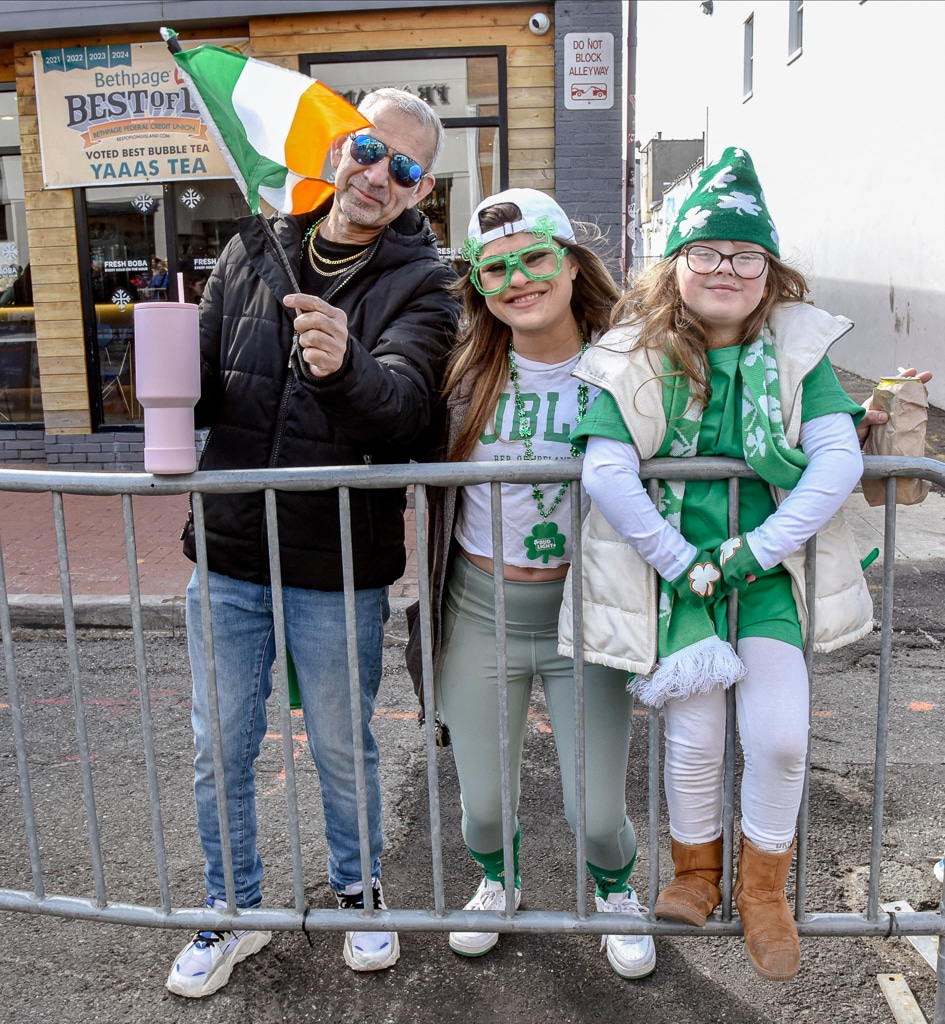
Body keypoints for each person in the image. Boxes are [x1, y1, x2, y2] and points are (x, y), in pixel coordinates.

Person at [167, 88, 459, 998]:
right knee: (222, 745)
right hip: (229, 552)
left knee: (342, 744)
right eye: (368, 150)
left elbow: (410, 412)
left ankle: (361, 893)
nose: (378, 175)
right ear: (339, 148)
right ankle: (232, 910)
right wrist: (163, 368)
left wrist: (348, 366)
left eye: (403, 169)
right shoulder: (252, 248)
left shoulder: (428, 284)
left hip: (339, 565)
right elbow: (206, 392)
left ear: (420, 191)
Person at [559, 147, 875, 982]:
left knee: (776, 740)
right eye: (707, 252)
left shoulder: (798, 350)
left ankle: (761, 892)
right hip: (676, 589)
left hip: (766, 581)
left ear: (770, 273)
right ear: (677, 265)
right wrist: (679, 562)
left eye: (745, 255)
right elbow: (604, 468)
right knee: (694, 742)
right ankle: (695, 875)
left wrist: (749, 552)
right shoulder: (635, 350)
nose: (725, 269)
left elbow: (836, 461)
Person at [406, 188, 657, 979]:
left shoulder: (633, 365)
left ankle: (614, 891)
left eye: (533, 259)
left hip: (587, 613)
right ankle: (497, 881)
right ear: (478, 286)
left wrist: (837, 426)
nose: (517, 281)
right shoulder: (463, 371)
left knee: (596, 810)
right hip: (479, 608)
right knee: (481, 805)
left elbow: (728, 411)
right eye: (494, 271)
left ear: (570, 262)